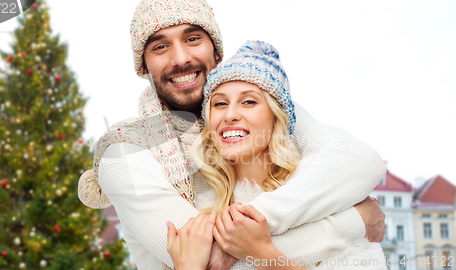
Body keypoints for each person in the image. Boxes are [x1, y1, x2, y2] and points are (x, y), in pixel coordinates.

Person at [77, 0, 387, 269]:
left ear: (216, 50)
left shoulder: (262, 106)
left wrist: (250, 226)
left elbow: (361, 161)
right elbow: (212, 260)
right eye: (160, 46)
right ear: (143, 66)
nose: (181, 58)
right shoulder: (124, 151)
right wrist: (354, 221)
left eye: (193, 38)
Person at [166, 40, 386, 270]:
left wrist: (262, 254)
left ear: (276, 118)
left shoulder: (324, 196)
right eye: (219, 104)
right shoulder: (197, 210)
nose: (230, 114)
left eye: (249, 102)